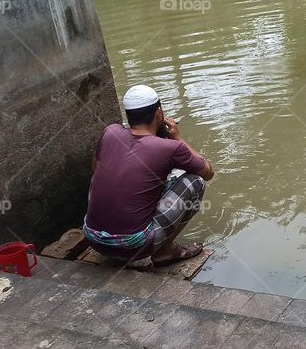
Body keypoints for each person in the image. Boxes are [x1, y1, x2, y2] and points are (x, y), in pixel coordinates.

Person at [83, 85, 215, 269]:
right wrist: (178, 138)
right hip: (135, 245)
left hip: (93, 238)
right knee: (196, 182)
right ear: (158, 114)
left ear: (129, 115)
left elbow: (94, 168)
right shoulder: (171, 147)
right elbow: (208, 172)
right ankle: (165, 252)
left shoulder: (110, 132)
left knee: (103, 171)